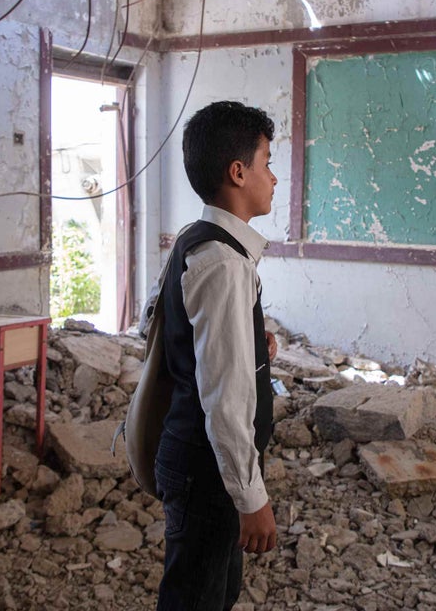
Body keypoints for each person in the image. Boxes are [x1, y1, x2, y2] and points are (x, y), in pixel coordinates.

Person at [154, 100, 280, 611]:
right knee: (195, 600)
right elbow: (225, 400)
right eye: (267, 163)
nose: (273, 178)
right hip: (208, 474)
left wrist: (250, 347)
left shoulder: (197, 239)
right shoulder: (224, 263)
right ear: (238, 172)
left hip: (201, 465)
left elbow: (166, 328)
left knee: (211, 593)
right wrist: (252, 498)